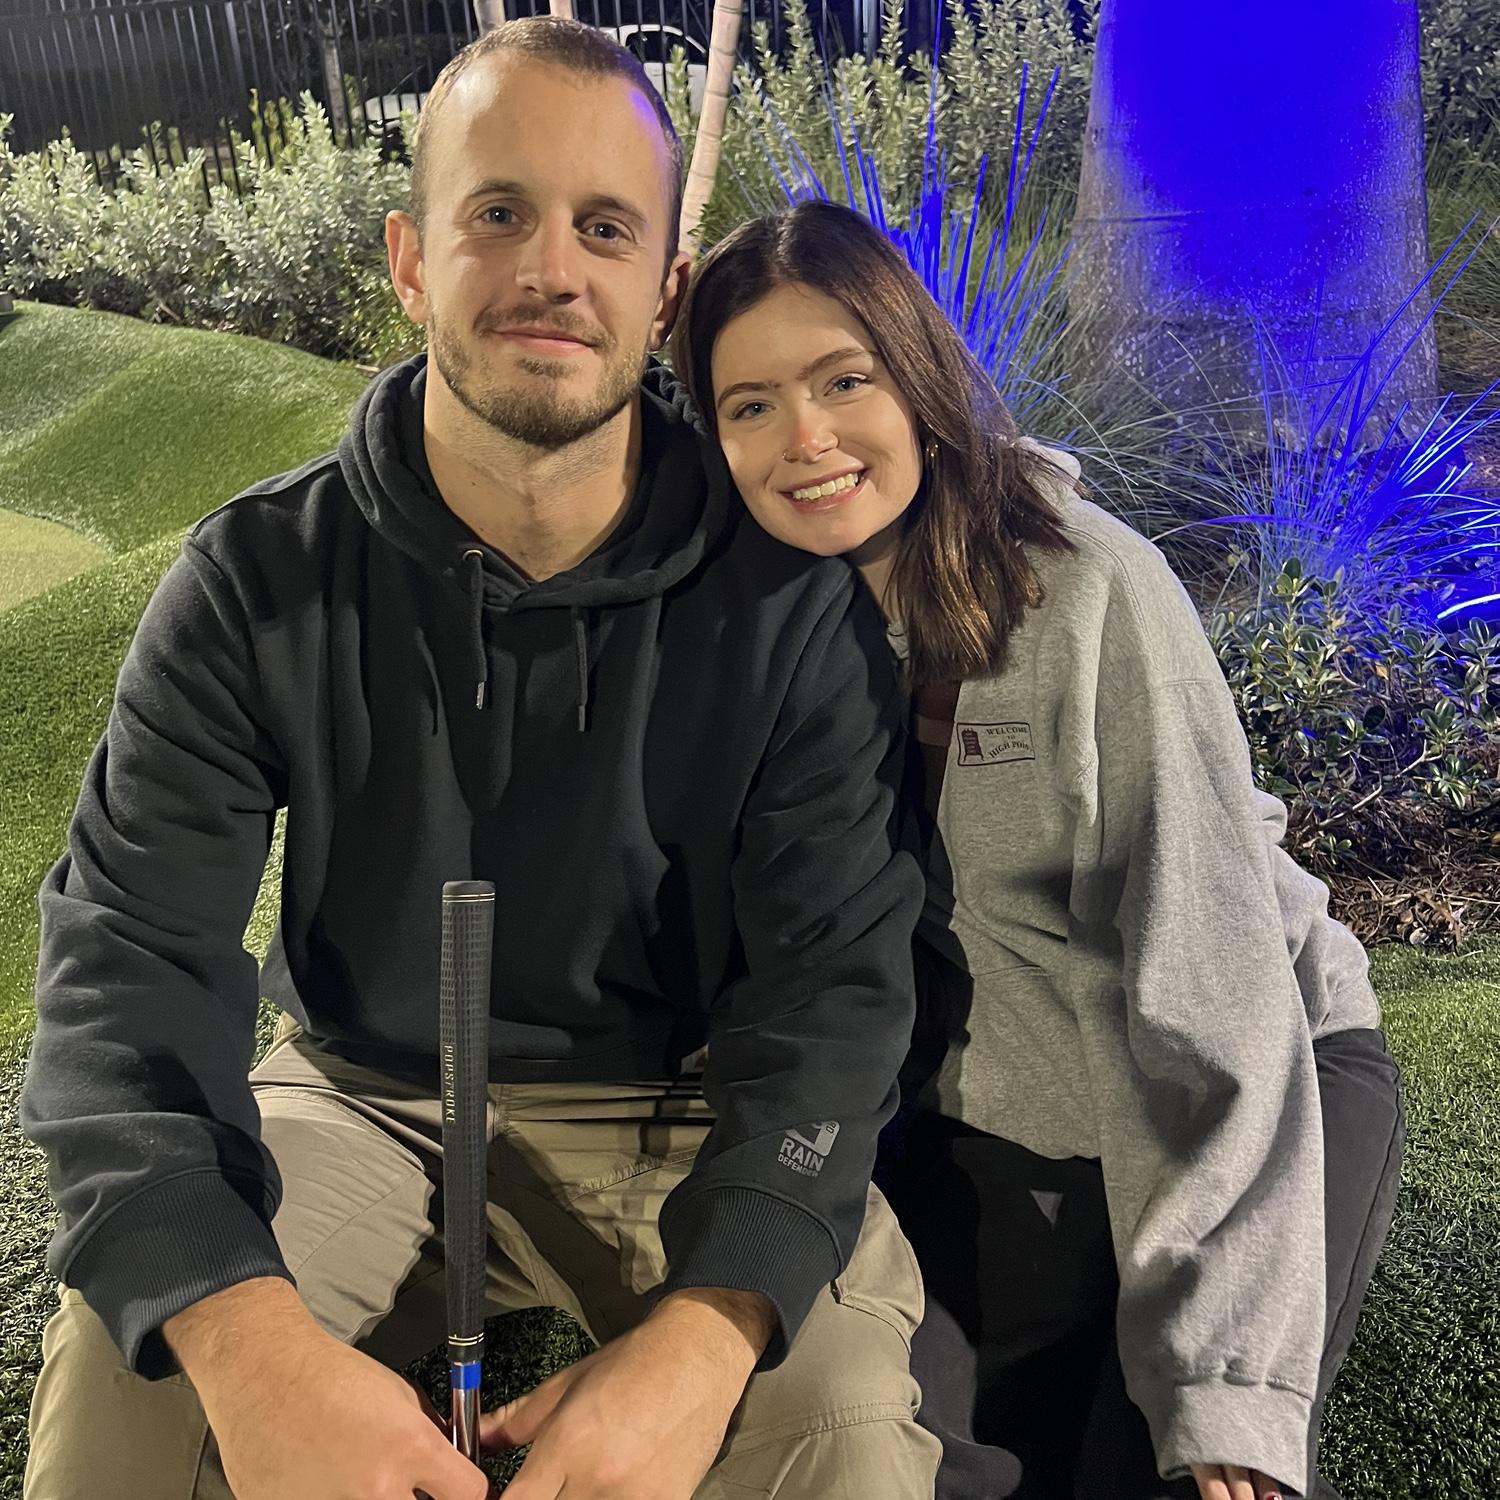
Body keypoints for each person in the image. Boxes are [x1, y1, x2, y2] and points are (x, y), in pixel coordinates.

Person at [20, 28, 943, 1500]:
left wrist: (709, 1331)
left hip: (679, 1107)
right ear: (410, 260)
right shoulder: (255, 579)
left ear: (664, 295)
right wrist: (246, 1347)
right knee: (135, 1386)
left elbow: (835, 991)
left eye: (606, 228)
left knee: (834, 1416)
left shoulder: (787, 601)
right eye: (499, 212)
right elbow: (124, 966)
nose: (551, 271)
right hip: (355, 1092)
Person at [671, 199, 1406, 1500]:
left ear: (918, 375)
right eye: (751, 405)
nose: (807, 438)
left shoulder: (1090, 590)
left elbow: (1213, 981)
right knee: (906, 1459)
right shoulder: (761, 624)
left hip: (1250, 1069)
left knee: (1190, 1467)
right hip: (986, 1115)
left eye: (844, 380)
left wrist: (1224, 1379)